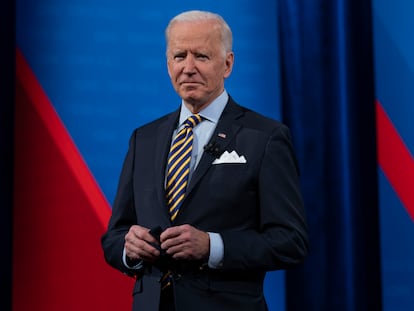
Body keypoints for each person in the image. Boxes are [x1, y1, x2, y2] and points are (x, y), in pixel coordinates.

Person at [101, 10, 309, 311]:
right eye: (179, 56)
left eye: (201, 56)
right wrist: (128, 248)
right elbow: (115, 236)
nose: (188, 68)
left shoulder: (264, 137)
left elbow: (291, 242)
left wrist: (213, 246)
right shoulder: (143, 139)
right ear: (167, 63)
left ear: (227, 64)